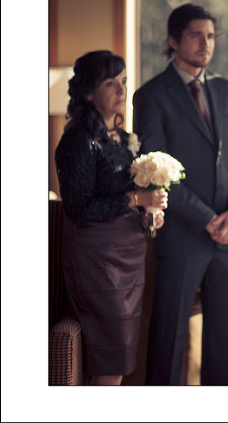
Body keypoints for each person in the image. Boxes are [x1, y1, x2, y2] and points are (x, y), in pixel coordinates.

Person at [133, 3, 228, 385]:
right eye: (196, 35)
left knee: (223, 344)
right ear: (173, 41)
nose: (207, 44)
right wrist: (206, 219)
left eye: (211, 36)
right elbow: (156, 170)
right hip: (182, 235)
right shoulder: (151, 96)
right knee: (167, 340)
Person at [55, 50, 167, 385]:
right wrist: (137, 198)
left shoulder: (123, 139)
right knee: (109, 359)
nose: (121, 90)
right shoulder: (77, 141)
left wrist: (148, 213)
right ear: (89, 93)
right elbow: (78, 209)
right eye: (110, 83)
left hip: (128, 258)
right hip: (97, 261)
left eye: (124, 81)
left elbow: (128, 200)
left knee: (121, 358)